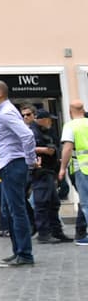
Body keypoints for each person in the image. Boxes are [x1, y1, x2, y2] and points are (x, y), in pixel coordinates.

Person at [0, 81, 36, 266]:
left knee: (17, 210)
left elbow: (27, 135)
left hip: (13, 165)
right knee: (9, 211)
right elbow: (12, 140)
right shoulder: (5, 112)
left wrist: (30, 161)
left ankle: (25, 254)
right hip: (9, 164)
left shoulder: (6, 113)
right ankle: (19, 252)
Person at [29, 108, 70, 243]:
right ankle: (44, 233)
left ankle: (56, 231)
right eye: (49, 119)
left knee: (53, 203)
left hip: (49, 171)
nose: (50, 122)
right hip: (41, 171)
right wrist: (45, 150)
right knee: (42, 202)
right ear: (42, 119)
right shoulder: (33, 131)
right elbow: (26, 147)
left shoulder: (45, 131)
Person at [59, 100, 88, 246]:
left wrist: (62, 168)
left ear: (70, 111)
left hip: (82, 168)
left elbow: (68, 149)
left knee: (86, 203)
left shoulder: (70, 125)